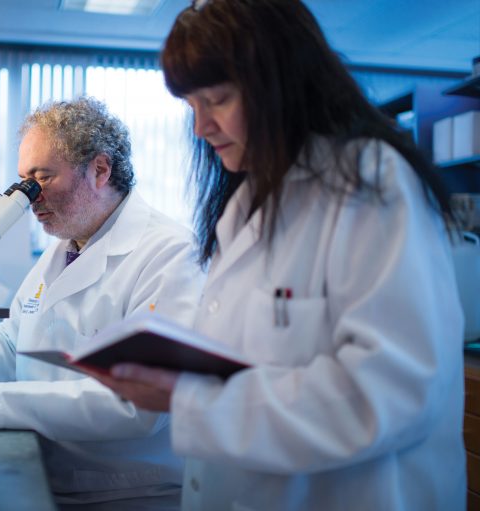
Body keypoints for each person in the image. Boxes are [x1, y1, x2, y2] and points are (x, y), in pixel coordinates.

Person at [87, 1, 466, 510]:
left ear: (282, 84)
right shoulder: (246, 202)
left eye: (217, 99)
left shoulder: (370, 183)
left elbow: (391, 392)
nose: (200, 128)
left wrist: (191, 401)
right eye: (192, 105)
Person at [0, 96, 206, 509]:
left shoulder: (170, 254)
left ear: (100, 170)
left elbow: (139, 403)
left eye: (43, 178)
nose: (30, 198)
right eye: (23, 180)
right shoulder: (64, 247)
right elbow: (13, 343)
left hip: (127, 493)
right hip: (49, 475)